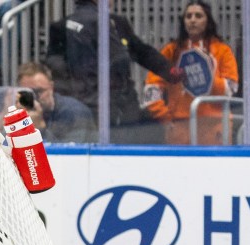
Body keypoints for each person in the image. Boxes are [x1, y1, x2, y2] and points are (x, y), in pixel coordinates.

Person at [45, 0, 173, 143]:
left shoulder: (117, 23)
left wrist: (171, 71)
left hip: (110, 105)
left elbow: (140, 50)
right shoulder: (66, 27)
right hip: (104, 107)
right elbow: (121, 61)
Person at [143, 2, 239, 146]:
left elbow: (231, 88)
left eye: (198, 16)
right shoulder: (171, 51)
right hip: (180, 127)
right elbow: (152, 88)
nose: (192, 20)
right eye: (188, 16)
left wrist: (206, 77)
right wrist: (164, 118)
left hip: (215, 127)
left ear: (208, 21)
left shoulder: (223, 51)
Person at [4, 61, 95, 143]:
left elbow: (68, 154)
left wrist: (39, 127)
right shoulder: (18, 110)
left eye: (39, 91)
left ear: (51, 87)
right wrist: (6, 114)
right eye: (27, 93)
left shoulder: (75, 111)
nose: (34, 97)